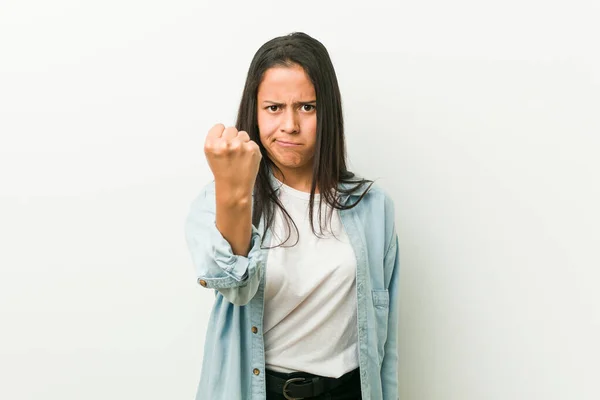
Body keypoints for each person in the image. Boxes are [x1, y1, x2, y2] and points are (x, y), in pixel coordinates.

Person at [184, 32, 399, 400]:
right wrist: (234, 190)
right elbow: (233, 287)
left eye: (306, 107)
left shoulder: (372, 207)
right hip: (261, 390)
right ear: (254, 111)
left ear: (327, 111)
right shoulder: (219, 198)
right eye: (273, 108)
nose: (289, 125)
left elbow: (386, 344)